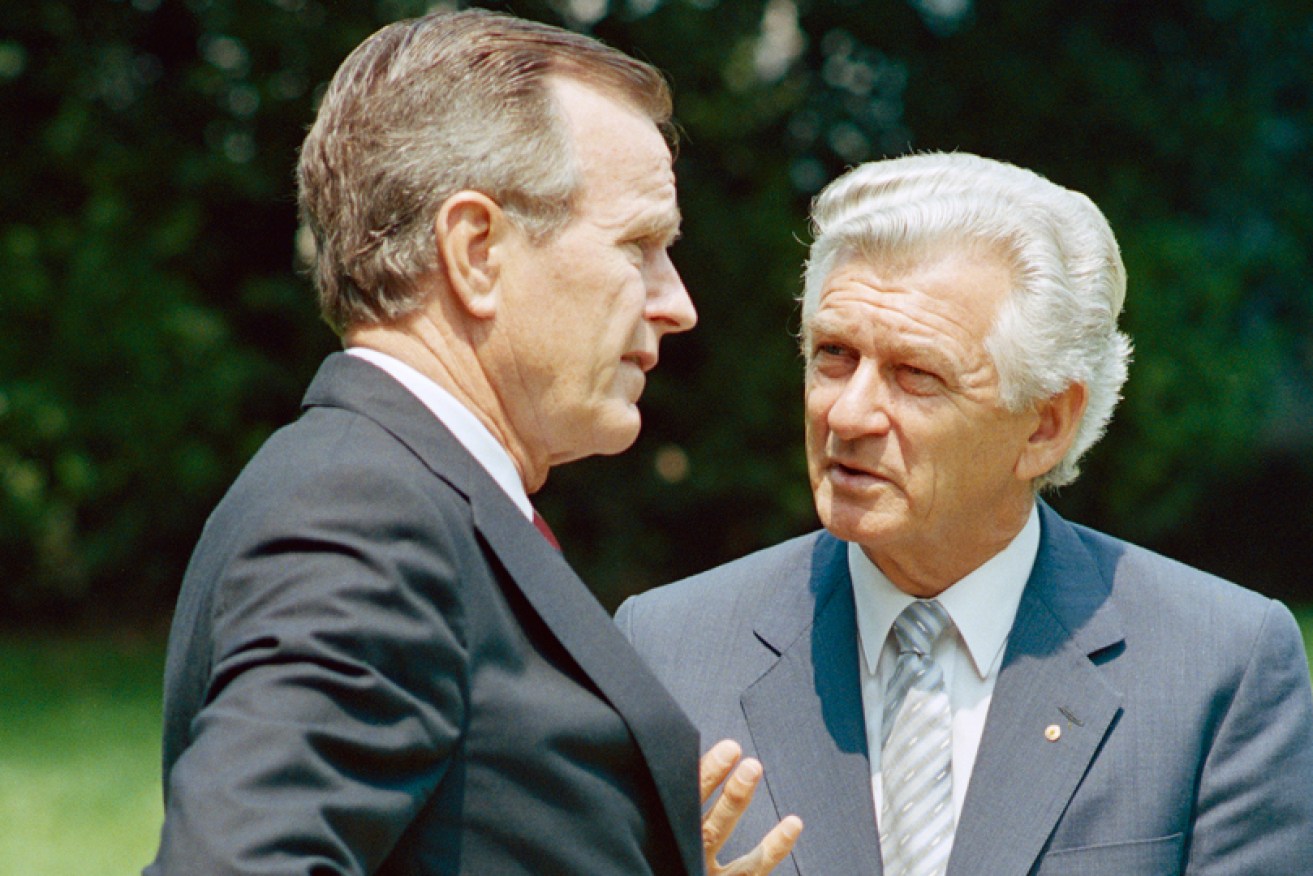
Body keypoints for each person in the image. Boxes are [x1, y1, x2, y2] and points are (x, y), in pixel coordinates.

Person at [146, 10, 800, 875]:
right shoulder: (364, 518)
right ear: (476, 250)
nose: (676, 303)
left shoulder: (400, 492)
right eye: (639, 246)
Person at [617, 152, 1313, 875]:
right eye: (832, 354)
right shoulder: (669, 648)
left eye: (915, 375)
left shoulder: (1216, 667)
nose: (848, 413)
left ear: (1045, 425)